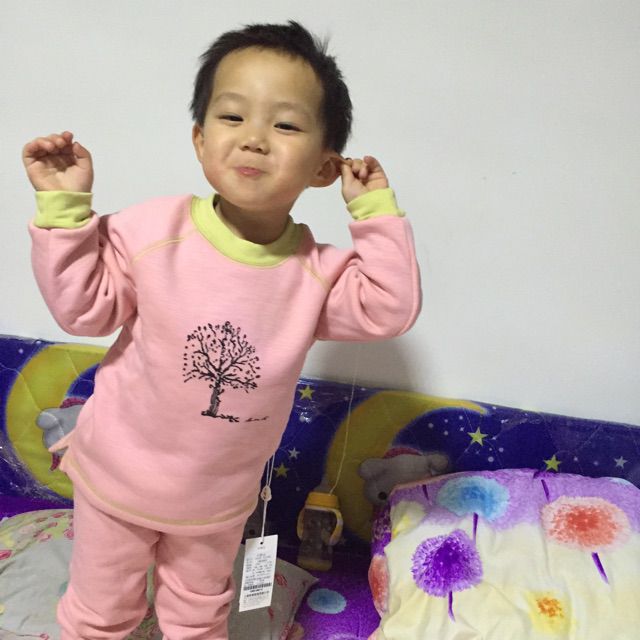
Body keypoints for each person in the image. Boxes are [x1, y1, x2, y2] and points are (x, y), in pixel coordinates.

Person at [22, 21, 421, 640]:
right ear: (200, 139)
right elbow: (85, 312)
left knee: (199, 615)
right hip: (115, 480)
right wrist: (65, 210)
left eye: (285, 125)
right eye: (232, 117)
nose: (254, 139)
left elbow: (389, 308)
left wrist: (374, 212)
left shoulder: (316, 274)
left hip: (218, 503)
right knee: (101, 615)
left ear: (324, 166)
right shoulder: (152, 231)